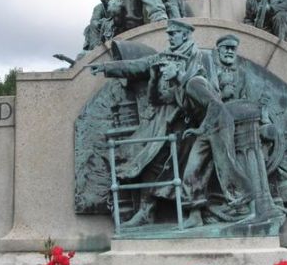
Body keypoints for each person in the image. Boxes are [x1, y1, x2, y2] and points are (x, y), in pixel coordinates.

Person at [91, 20, 255, 228]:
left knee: (193, 167)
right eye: (169, 34)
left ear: (185, 35)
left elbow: (213, 96)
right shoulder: (166, 57)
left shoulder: (201, 59)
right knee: (151, 162)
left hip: (193, 123)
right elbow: (138, 66)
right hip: (170, 120)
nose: (169, 37)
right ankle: (147, 211)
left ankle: (212, 207)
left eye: (174, 33)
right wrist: (107, 68)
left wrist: (201, 125)